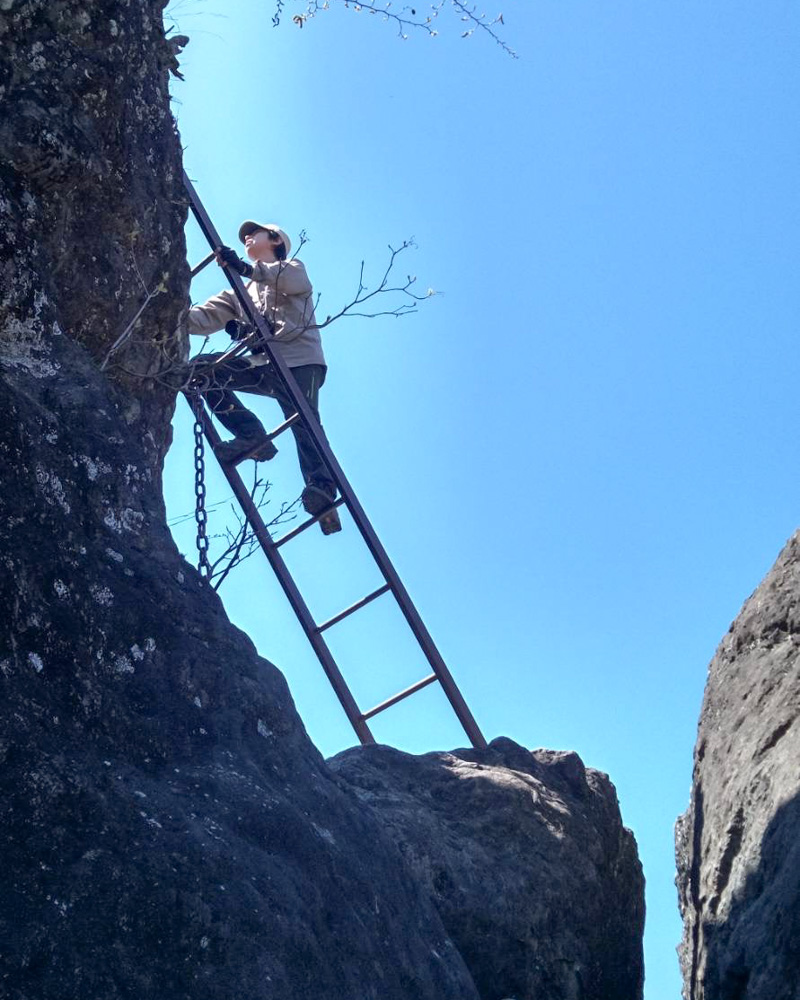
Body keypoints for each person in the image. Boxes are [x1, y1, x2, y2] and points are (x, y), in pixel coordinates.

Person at [185, 221, 337, 516]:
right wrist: (166, 309)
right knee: (202, 371)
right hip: (264, 365)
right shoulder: (239, 293)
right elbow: (200, 319)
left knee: (303, 419)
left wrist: (244, 268)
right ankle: (251, 435)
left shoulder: (291, 268)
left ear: (275, 240)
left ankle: (322, 486)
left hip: (299, 359)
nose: (246, 237)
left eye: (254, 233)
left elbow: (285, 279)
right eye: (244, 235)